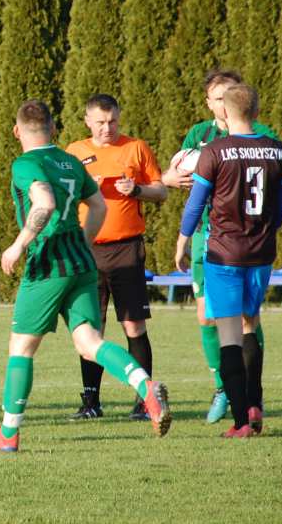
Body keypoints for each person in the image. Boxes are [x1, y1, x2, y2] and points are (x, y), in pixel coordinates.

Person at [0, 100, 171, 453]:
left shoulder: (26, 163)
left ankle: (7, 433)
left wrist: (18, 246)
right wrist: (83, 242)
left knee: (21, 347)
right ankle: (146, 388)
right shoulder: (70, 161)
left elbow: (44, 203)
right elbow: (98, 206)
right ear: (53, 129)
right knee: (89, 342)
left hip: (48, 263)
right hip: (82, 261)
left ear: (17, 131)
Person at [175, 84, 282, 438]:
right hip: (261, 253)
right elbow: (281, 209)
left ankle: (241, 421)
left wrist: (182, 241)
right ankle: (255, 403)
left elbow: (195, 205)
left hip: (224, 253)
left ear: (224, 111)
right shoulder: (280, 152)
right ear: (256, 111)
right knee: (250, 325)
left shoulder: (215, 151)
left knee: (228, 335)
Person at [64, 94, 167, 421]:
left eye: (113, 122)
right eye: (100, 122)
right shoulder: (74, 152)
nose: (107, 128)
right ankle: (91, 402)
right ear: (87, 121)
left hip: (126, 247)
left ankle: (144, 400)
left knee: (133, 324)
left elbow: (161, 190)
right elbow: (59, 197)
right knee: (91, 329)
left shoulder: (136, 148)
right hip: (87, 249)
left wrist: (135, 189)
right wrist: (84, 189)